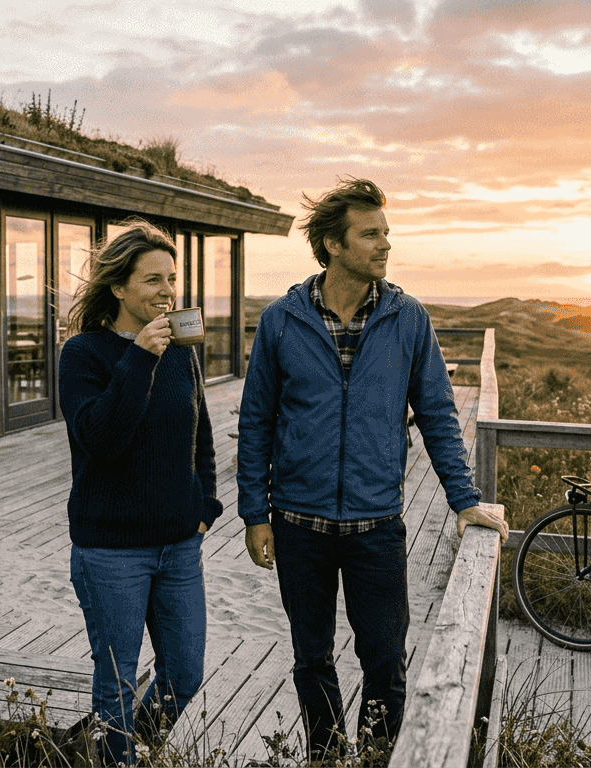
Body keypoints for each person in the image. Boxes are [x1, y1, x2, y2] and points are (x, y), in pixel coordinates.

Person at [236, 178, 508, 760]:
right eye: (370, 234)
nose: (385, 245)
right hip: (297, 522)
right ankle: (328, 755)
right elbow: (256, 420)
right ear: (333, 245)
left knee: (385, 659)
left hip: (377, 526)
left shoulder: (408, 319)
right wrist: (254, 513)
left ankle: (376, 756)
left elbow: (436, 414)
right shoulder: (282, 320)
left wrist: (464, 502)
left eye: (386, 233)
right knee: (312, 658)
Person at [59, 221, 223, 764]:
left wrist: (206, 507)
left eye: (172, 280)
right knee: (117, 687)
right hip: (110, 551)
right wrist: (140, 358)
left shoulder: (181, 349)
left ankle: (131, 754)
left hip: (179, 545)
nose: (168, 292)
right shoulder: (84, 354)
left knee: (183, 674)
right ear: (119, 287)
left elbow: (199, 434)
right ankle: (116, 758)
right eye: (153, 280)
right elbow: (102, 440)